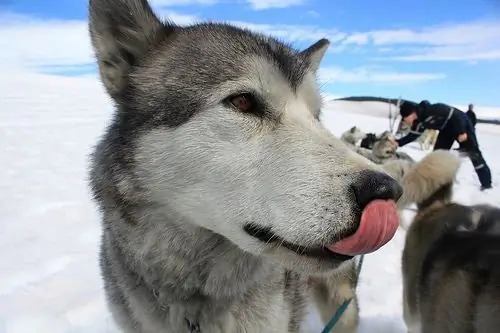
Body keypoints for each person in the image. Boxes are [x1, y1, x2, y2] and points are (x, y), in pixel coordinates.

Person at [395, 100, 492, 191]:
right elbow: (413, 135)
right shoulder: (418, 122)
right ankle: (436, 183)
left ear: (411, 114)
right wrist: (398, 142)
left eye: (404, 118)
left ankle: (486, 185)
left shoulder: (434, 109)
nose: (404, 121)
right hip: (446, 131)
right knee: (437, 156)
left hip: (462, 125)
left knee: (474, 154)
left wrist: (461, 131)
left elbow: (457, 115)